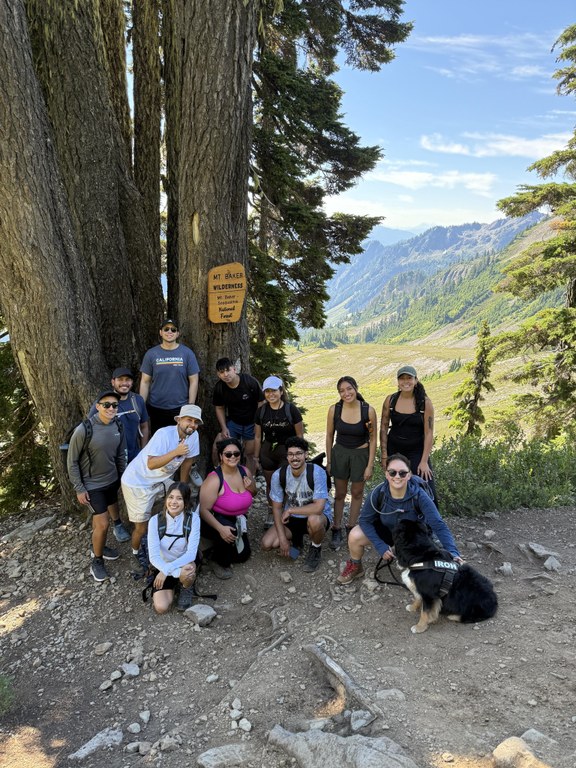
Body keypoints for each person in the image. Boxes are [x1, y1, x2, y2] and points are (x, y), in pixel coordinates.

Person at [337, 453, 463, 585]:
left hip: (413, 538)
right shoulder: (378, 493)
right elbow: (365, 521)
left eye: (402, 473)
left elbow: (438, 525)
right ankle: (356, 566)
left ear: (409, 475)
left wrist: (453, 553)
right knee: (355, 535)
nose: (397, 477)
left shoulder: (419, 496)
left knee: (426, 574)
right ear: (386, 474)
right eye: (392, 472)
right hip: (387, 532)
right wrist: (380, 546)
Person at [121, 404, 202, 567]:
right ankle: (136, 552)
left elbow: (187, 461)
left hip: (161, 479)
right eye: (188, 420)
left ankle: (172, 540)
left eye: (195, 422)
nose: (192, 425)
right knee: (141, 527)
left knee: (180, 503)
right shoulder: (164, 434)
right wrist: (176, 451)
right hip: (138, 482)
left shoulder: (194, 436)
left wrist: (182, 487)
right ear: (179, 420)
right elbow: (151, 464)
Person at [67, 389, 127, 582]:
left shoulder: (118, 424)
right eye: (106, 405)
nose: (111, 408)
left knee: (109, 512)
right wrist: (79, 488)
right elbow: (72, 461)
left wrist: (122, 478)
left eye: (114, 405)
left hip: (112, 480)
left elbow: (120, 454)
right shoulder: (84, 429)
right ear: (98, 406)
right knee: (102, 523)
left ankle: (98, 546)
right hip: (92, 485)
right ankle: (97, 561)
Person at [87, 367, 150, 543]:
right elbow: (90, 428)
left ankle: (141, 525)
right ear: (113, 382)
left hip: (134, 455)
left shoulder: (137, 400)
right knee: (111, 492)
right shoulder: (104, 402)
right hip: (110, 459)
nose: (124, 383)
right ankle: (118, 524)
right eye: (120, 380)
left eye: (128, 380)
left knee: (139, 490)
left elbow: (144, 426)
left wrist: (144, 452)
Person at [261, 436, 332, 574]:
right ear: (286, 456)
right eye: (291, 454)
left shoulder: (317, 472)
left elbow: (318, 507)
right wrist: (282, 539)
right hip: (293, 519)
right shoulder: (279, 475)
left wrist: (291, 510)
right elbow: (276, 508)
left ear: (306, 454)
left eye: (299, 453)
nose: (295, 458)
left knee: (314, 520)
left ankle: (315, 548)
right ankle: (296, 544)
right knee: (267, 544)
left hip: (315, 516)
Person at [325, 376, 377, 550]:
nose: (346, 393)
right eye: (342, 390)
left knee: (357, 492)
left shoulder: (368, 410)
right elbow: (329, 435)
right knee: (339, 493)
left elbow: (373, 437)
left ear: (356, 388)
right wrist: (330, 460)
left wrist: (370, 465)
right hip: (340, 453)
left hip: (360, 455)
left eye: (349, 389)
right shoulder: (335, 409)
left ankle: (352, 526)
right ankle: (336, 527)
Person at [199, 438, 256, 579]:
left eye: (236, 454)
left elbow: (253, 493)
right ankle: (215, 560)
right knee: (227, 543)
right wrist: (220, 529)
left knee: (243, 556)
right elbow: (203, 510)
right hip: (214, 520)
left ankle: (216, 546)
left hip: (237, 519)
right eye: (228, 454)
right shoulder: (214, 479)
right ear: (220, 456)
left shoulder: (245, 472)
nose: (233, 457)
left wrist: (251, 487)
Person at [380, 365, 437, 503]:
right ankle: (392, 519)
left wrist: (424, 461)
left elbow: (429, 433)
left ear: (416, 380)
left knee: (425, 486)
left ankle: (429, 522)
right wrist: (384, 455)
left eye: (409, 378)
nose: (406, 382)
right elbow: (383, 427)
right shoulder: (390, 400)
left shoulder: (425, 403)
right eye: (402, 378)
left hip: (416, 451)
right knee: (394, 483)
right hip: (394, 449)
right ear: (398, 382)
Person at [139, 319, 200, 436]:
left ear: (177, 333)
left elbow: (194, 381)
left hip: (180, 408)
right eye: (166, 329)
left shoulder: (187, 353)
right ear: (161, 332)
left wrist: (190, 406)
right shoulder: (151, 354)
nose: (169, 332)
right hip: (156, 408)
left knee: (180, 442)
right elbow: (145, 382)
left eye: (173, 329)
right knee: (159, 441)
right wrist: (141, 405)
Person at [147, 482, 200, 613]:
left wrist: (166, 572)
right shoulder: (155, 521)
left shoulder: (193, 519)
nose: (174, 502)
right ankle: (177, 581)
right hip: (162, 564)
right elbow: (154, 556)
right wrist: (169, 571)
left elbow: (191, 554)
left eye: (179, 498)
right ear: (166, 499)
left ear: (186, 503)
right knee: (161, 607)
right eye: (171, 497)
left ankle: (186, 586)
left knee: (188, 572)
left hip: (184, 563)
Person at [253, 375, 304, 504]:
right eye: (267, 391)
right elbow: (258, 436)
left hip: (287, 451)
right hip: (267, 451)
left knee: (284, 482)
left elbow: (299, 436)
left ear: (281, 391)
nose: (271, 394)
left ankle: (285, 510)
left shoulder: (291, 410)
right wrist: (255, 458)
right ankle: (271, 511)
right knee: (270, 483)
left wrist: (300, 455)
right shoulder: (261, 411)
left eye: (274, 391)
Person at [212, 357, 263, 474]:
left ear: (234, 369)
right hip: (233, 423)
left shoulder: (249, 381)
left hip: (251, 423)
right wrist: (224, 427)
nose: (225, 374)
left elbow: (261, 402)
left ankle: (249, 478)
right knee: (220, 446)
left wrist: (258, 424)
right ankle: (221, 473)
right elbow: (219, 407)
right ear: (218, 374)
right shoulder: (220, 387)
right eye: (221, 372)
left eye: (227, 370)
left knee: (250, 453)